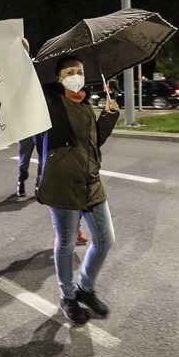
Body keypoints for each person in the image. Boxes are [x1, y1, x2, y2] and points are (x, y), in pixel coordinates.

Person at [37, 55, 119, 325]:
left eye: (79, 71)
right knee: (66, 243)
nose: (76, 75)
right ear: (59, 78)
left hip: (90, 182)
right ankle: (68, 297)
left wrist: (108, 117)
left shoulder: (84, 102)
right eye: (69, 72)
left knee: (105, 240)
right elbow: (25, 85)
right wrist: (22, 56)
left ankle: (85, 288)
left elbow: (92, 144)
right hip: (62, 185)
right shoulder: (50, 102)